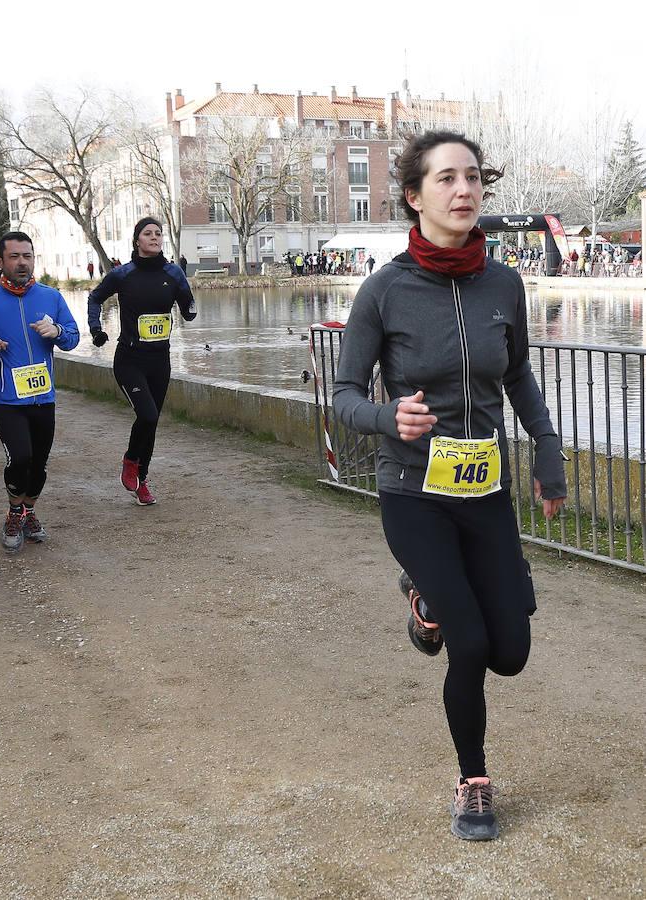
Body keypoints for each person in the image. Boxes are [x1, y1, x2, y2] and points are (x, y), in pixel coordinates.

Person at [333, 131, 566, 842]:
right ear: (414, 195)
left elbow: (518, 372)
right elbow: (343, 394)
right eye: (445, 179)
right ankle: (472, 781)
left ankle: (428, 601)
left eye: (471, 178)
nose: (463, 191)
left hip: (484, 491)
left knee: (510, 654)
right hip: (412, 492)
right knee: (467, 650)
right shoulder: (383, 291)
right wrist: (385, 416)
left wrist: (546, 447)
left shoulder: (504, 283)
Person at [0, 231, 80, 551]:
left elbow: (73, 337)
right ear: (0, 261)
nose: (22, 263)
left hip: (43, 397)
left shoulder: (51, 297)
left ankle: (29, 511)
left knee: (39, 465)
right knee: (20, 457)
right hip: (7, 399)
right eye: (15, 257)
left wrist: (58, 331)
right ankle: (14, 511)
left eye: (27, 256)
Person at [87, 217, 197, 505]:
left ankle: (142, 480)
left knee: (152, 422)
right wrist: (96, 329)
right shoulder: (123, 274)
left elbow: (188, 306)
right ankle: (130, 462)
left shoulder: (173, 273)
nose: (155, 237)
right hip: (130, 360)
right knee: (147, 415)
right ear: (137, 240)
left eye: (158, 233)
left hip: (160, 360)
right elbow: (95, 298)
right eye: (148, 233)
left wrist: (189, 306)